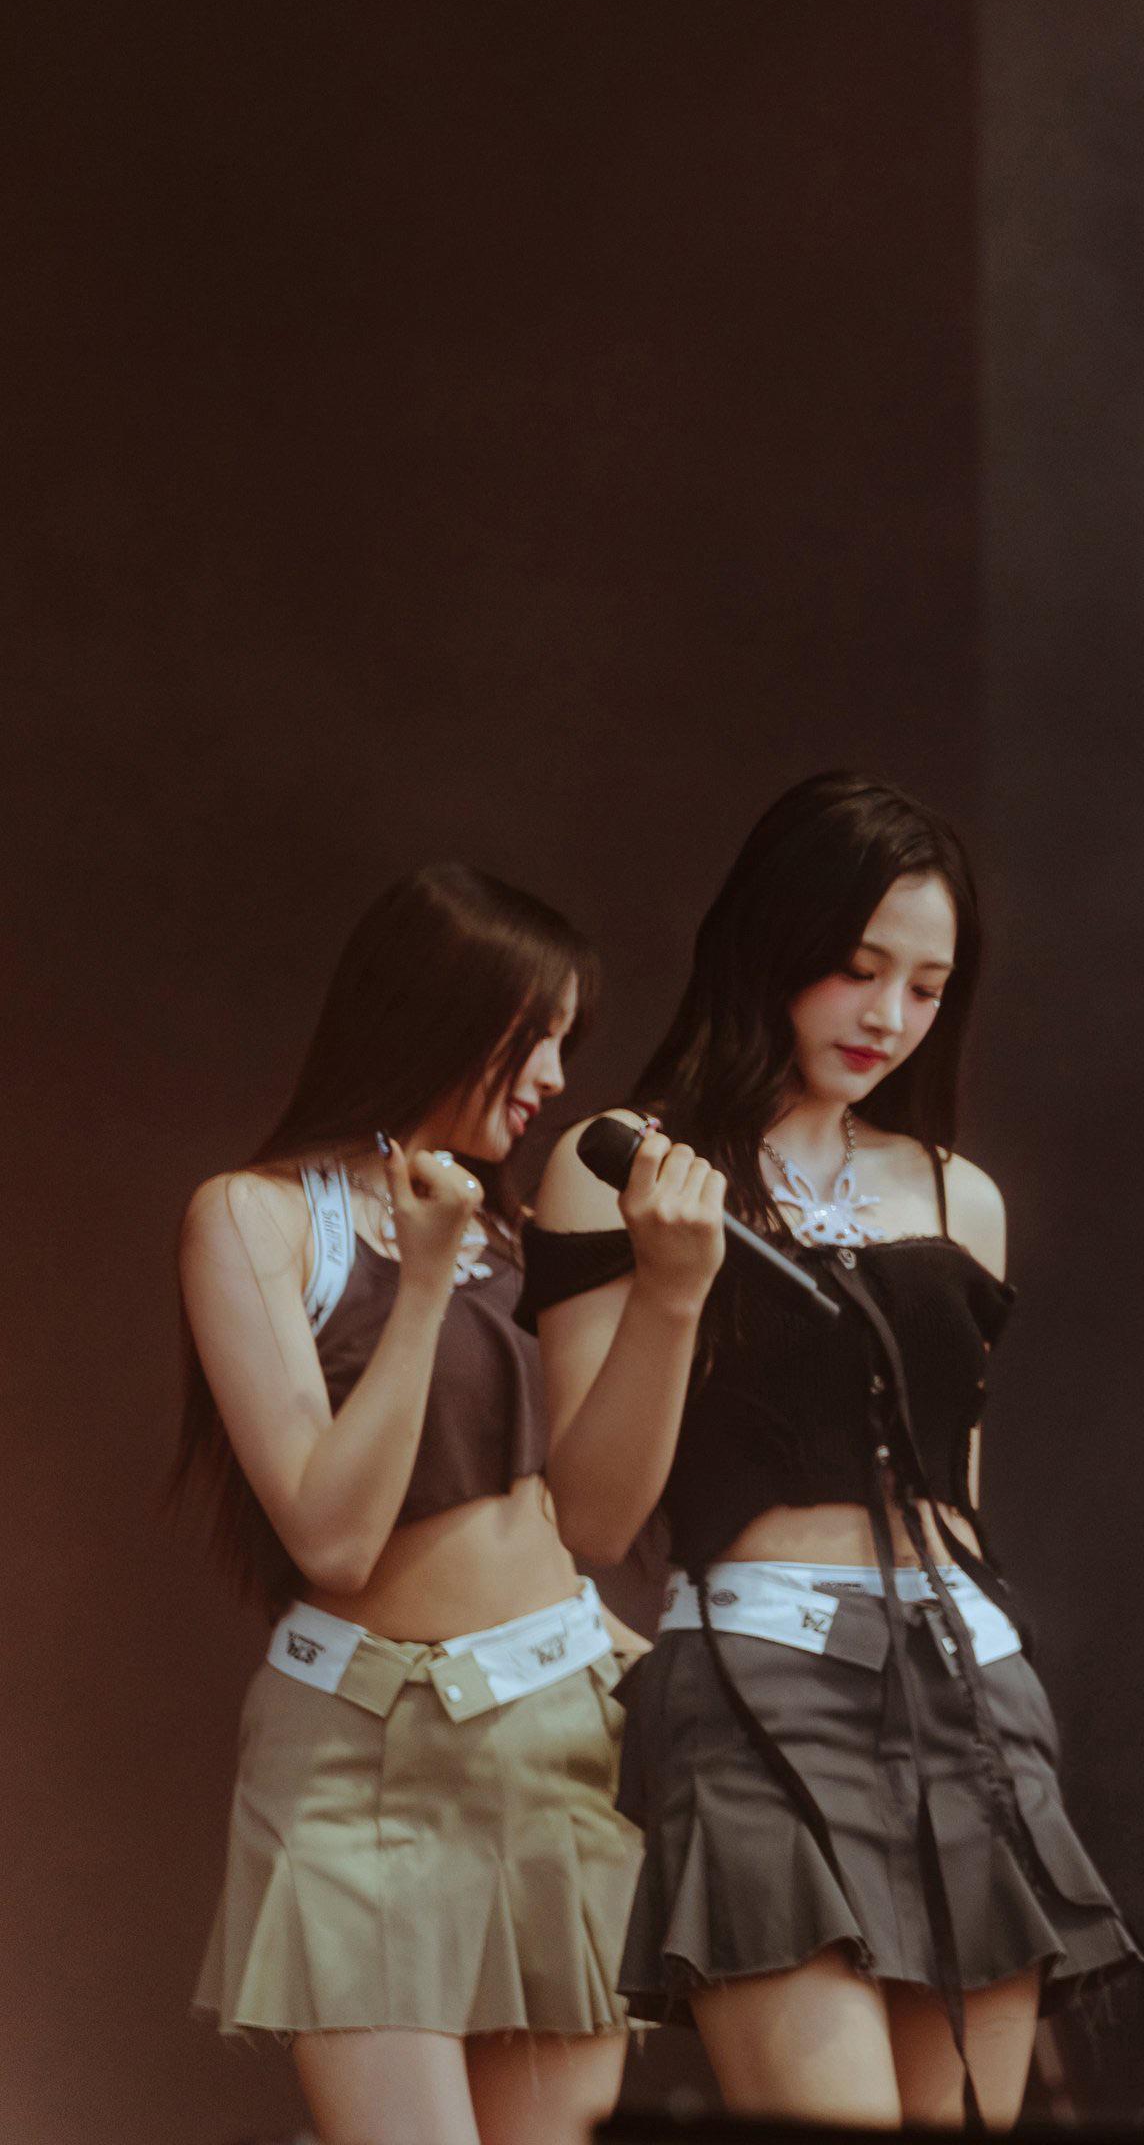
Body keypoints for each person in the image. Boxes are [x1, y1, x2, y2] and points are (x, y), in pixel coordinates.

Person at [528, 773, 1137, 2129]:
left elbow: (955, 1500)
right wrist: (674, 1290)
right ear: (775, 943)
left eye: (927, 987)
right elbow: (592, 1517)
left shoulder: (958, 1194)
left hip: (967, 1686)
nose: (889, 1017)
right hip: (759, 1676)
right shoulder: (624, 1164)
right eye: (859, 970)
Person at [178, 865, 634, 2145]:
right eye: (533, 1037)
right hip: (359, 1753)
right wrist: (423, 1283)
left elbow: (566, 1509)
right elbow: (331, 1534)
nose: (553, 1077)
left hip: (557, 1739)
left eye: (566, 1042)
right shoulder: (255, 1217)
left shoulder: (520, 1224)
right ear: (441, 1013)